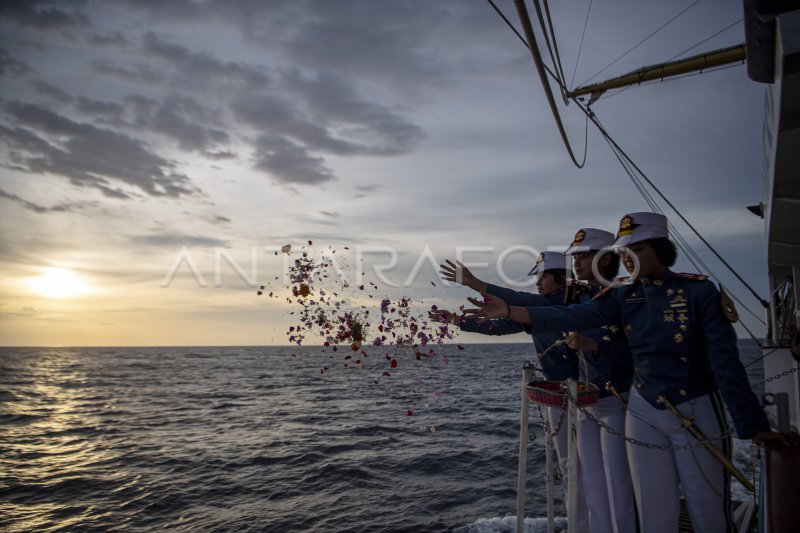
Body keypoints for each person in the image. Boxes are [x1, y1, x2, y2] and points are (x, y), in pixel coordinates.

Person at [465, 212, 774, 533]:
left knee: (708, 513)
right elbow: (566, 314)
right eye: (625, 251)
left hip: (695, 406)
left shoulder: (698, 292)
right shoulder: (620, 296)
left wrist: (753, 426)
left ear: (661, 248)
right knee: (654, 513)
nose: (629, 258)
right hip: (643, 411)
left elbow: (726, 361)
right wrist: (511, 311)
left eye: (637, 250)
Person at [437, 251, 589, 532]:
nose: (538, 283)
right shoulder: (537, 309)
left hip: (593, 400)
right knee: (570, 467)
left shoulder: (581, 302)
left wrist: (475, 282)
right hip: (559, 398)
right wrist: (456, 321)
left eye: (542, 276)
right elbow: (497, 327)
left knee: (596, 469)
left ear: (561, 278)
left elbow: (523, 302)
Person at [563, 228, 637, 533]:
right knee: (592, 480)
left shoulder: (624, 295)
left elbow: (640, 349)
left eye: (584, 255)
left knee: (618, 481)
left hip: (619, 397)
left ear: (605, 260)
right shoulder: (578, 296)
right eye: (576, 256)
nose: (577, 261)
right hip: (586, 397)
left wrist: (596, 346)